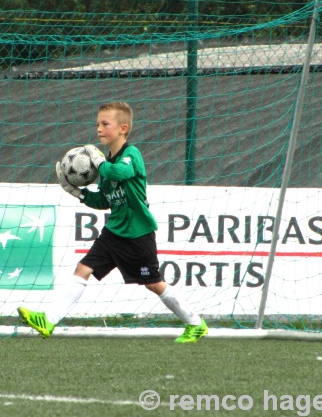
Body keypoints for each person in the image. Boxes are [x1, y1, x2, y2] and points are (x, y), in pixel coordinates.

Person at [18, 101, 208, 343]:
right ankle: (49, 320)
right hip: (114, 232)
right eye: (97, 124)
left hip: (138, 232)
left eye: (105, 124)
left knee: (154, 284)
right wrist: (77, 193)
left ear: (123, 128)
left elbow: (119, 173)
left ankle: (195, 323)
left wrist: (98, 162)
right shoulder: (106, 162)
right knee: (82, 269)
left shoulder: (131, 154)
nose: (99, 129)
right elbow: (103, 200)